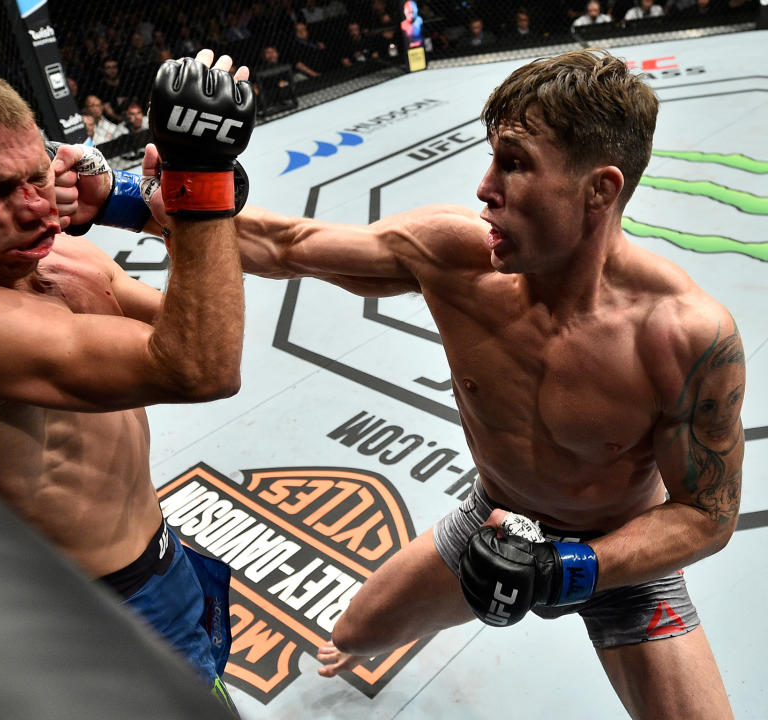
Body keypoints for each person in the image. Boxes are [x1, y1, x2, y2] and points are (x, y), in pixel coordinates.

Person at [64, 48, 743, 719]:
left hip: (619, 558)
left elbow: (707, 515)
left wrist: (570, 568)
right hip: (494, 517)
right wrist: (124, 200)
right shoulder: (456, 257)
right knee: (356, 631)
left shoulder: (683, 337)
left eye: (514, 163)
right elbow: (287, 243)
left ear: (601, 189)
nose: (484, 188)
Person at [0, 50, 255, 712]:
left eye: (35, 178)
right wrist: (203, 185)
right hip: (95, 611)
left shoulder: (63, 253)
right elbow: (200, 368)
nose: (39, 212)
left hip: (159, 551)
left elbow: (194, 327)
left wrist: (170, 213)